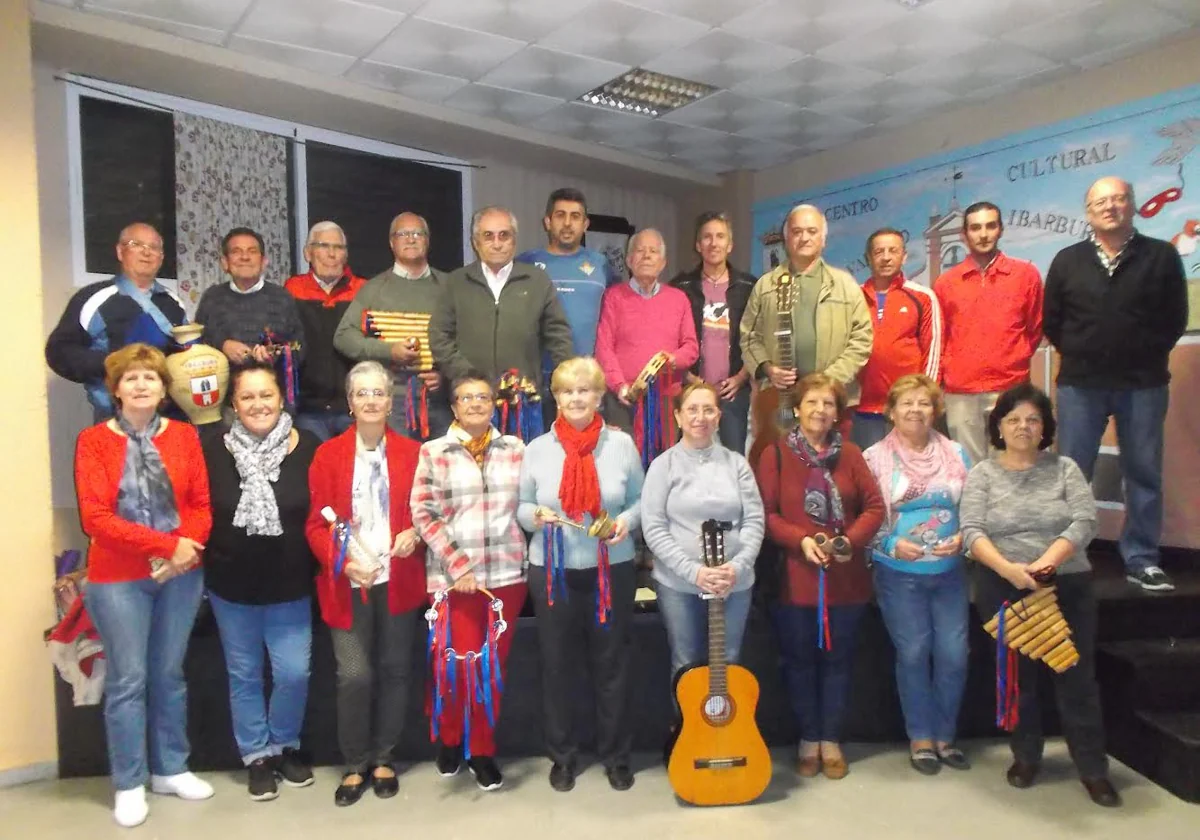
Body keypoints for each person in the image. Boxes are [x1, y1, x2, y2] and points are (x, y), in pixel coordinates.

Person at [959, 383, 1120, 808]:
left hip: (1066, 582)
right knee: (1020, 681)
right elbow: (972, 532)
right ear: (999, 427)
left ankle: (1092, 768)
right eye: (1013, 420)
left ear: (1045, 426)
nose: (1023, 427)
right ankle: (1026, 757)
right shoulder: (982, 474)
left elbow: (1085, 521)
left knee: (1077, 680)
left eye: (1032, 419)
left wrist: (1047, 562)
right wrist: (1010, 570)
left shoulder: (1065, 468)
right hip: (1003, 583)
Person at [74, 343, 213, 827]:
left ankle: (171, 768)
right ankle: (130, 782)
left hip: (179, 574)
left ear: (163, 388)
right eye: (131, 379)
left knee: (169, 675)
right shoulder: (93, 442)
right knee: (128, 681)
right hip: (119, 578)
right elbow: (96, 518)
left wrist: (183, 549)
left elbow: (200, 503)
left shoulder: (184, 437)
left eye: (150, 378)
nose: (141, 386)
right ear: (115, 389)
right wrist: (164, 546)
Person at [1044, 176, 1188, 592]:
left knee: (1143, 472)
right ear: (1089, 213)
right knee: (1071, 473)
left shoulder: (1160, 256)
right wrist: (1083, 351)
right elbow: (1053, 320)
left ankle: (1141, 558)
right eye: (1100, 202)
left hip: (1142, 384)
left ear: (1132, 205)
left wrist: (1142, 354)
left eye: (1118, 199)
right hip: (1081, 384)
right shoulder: (1067, 260)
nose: (1110, 207)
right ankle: (1068, 556)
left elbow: (1174, 317)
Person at [517, 357, 644, 793]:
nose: (576, 398)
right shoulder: (535, 449)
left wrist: (626, 522)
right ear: (555, 397)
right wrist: (535, 515)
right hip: (552, 571)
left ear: (599, 396)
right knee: (556, 666)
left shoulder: (621, 446)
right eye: (568, 391)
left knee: (612, 666)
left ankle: (615, 755)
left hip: (613, 568)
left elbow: (640, 500)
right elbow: (521, 507)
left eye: (585, 390)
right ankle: (563, 756)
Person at [305, 361, 426, 806]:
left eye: (379, 393)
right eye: (362, 393)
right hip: (348, 582)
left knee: (396, 671)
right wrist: (342, 563)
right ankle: (354, 762)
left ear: (390, 402)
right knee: (354, 674)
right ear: (350, 401)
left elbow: (426, 512)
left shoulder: (414, 454)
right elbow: (316, 526)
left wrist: (416, 532)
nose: (371, 401)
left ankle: (383, 758)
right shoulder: (328, 454)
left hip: (399, 580)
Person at [755, 373, 884, 780]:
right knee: (799, 663)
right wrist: (802, 541)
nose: (820, 411)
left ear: (837, 413)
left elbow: (875, 508)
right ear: (796, 409)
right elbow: (767, 514)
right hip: (796, 578)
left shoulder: (851, 455)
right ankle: (808, 739)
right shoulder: (774, 454)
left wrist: (848, 542)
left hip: (845, 580)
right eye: (812, 402)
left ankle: (831, 738)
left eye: (828, 404)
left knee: (839, 663)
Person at [201, 360, 320, 801]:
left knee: (294, 673)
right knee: (244, 675)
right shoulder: (212, 449)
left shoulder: (307, 446)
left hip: (291, 584)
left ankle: (285, 743)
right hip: (231, 585)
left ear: (281, 397)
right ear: (233, 404)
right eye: (247, 396)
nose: (257, 404)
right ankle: (257, 756)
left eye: (265, 394)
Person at [411, 369, 528, 791]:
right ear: (454, 406)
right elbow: (424, 512)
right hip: (452, 578)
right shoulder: (434, 451)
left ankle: (481, 750)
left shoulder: (516, 448)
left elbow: (530, 504)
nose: (475, 404)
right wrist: (458, 565)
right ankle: (449, 737)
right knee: (457, 667)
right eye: (466, 397)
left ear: (493, 403)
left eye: (482, 396)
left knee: (490, 669)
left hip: (506, 576)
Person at [862, 374, 970, 775]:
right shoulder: (873, 458)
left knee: (954, 656)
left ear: (935, 410)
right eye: (906, 403)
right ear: (891, 412)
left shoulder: (958, 453)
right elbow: (864, 517)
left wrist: (963, 537)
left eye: (923, 403)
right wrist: (889, 544)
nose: (915, 410)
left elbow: (974, 508)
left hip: (950, 573)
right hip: (898, 574)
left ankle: (946, 735)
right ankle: (921, 736)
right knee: (912, 653)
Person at [641, 383, 764, 677]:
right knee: (686, 662)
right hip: (679, 584)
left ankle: (729, 725)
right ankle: (686, 725)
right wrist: (694, 572)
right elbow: (654, 528)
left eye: (708, 409)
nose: (700, 417)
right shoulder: (663, 466)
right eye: (692, 409)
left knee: (730, 661)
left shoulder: (737, 465)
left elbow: (754, 520)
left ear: (718, 416)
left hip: (734, 583)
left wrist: (736, 567)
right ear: (678, 417)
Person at [740, 204, 873, 456]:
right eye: (797, 231)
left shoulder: (845, 284)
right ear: (787, 238)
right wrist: (767, 367)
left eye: (812, 231)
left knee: (830, 470)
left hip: (832, 399)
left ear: (823, 239)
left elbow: (862, 339)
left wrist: (828, 382)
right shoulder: (765, 285)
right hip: (778, 400)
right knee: (778, 466)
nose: (804, 238)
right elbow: (749, 336)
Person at [933, 202, 1042, 465]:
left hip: (1010, 389)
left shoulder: (1025, 274)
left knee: (1012, 470)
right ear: (964, 234)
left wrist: (1013, 359)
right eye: (975, 227)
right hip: (961, 392)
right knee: (969, 473)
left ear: (1000, 230)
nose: (983, 234)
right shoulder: (946, 284)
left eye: (990, 226)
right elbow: (941, 337)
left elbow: (1035, 328)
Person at [429, 206, 573, 404]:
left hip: (523, 399)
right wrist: (469, 375)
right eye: (488, 236)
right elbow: (439, 337)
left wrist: (567, 380)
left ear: (514, 240)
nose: (497, 244)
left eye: (504, 235)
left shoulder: (537, 281)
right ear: (475, 242)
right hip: (469, 396)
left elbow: (559, 336)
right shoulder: (456, 282)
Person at [46, 223, 187, 419]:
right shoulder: (93, 298)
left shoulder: (173, 302)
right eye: (136, 244)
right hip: (113, 417)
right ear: (121, 252)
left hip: (168, 417)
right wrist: (111, 364)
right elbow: (58, 351)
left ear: (161, 257)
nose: (146, 253)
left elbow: (184, 353)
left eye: (154, 247)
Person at [333, 212, 450, 441]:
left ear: (427, 240)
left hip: (440, 399)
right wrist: (389, 351)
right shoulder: (374, 289)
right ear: (391, 242)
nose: (411, 239)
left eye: (417, 233)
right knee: (399, 470)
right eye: (402, 234)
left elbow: (467, 339)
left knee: (442, 469)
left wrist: (446, 374)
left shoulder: (449, 286)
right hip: (393, 400)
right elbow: (343, 337)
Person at [594, 228, 699, 434]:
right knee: (623, 461)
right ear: (630, 260)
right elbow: (604, 348)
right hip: (624, 401)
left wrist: (672, 359)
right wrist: (620, 386)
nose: (647, 256)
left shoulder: (679, 299)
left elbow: (691, 347)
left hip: (667, 400)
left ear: (663, 263)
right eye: (640, 250)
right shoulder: (613, 297)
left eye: (653, 251)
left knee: (664, 462)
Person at [670, 211, 756, 454]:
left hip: (733, 392)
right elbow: (671, 339)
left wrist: (741, 378)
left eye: (720, 236)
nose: (713, 242)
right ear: (698, 245)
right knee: (690, 458)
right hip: (692, 389)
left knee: (733, 459)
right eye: (707, 237)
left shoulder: (749, 286)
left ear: (730, 245)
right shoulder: (680, 287)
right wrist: (689, 378)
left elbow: (758, 338)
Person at [853, 228, 942, 450]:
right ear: (868, 258)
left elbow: (933, 352)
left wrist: (922, 399)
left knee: (910, 475)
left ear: (904, 256)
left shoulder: (923, 296)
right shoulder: (853, 298)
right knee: (870, 476)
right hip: (864, 407)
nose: (885, 257)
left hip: (908, 408)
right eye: (878, 252)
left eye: (893, 251)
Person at [285, 221, 366, 441]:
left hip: (354, 407)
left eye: (338, 247)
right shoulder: (291, 290)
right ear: (307, 253)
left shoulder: (365, 291)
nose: (332, 254)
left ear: (346, 255)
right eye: (323, 246)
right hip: (308, 409)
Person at [517, 188, 616, 356]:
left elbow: (614, 317)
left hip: (588, 373)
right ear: (548, 222)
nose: (568, 223)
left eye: (575, 216)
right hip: (538, 374)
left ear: (585, 225)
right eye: (560, 215)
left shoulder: (601, 264)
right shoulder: (525, 263)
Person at [194, 227, 305, 372]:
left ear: (264, 261)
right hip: (224, 391)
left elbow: (298, 346)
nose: (245, 257)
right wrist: (222, 345)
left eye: (252, 251)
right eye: (236, 252)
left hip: (268, 389)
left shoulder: (282, 298)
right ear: (224, 262)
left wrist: (274, 355)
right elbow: (196, 343)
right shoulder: (212, 297)